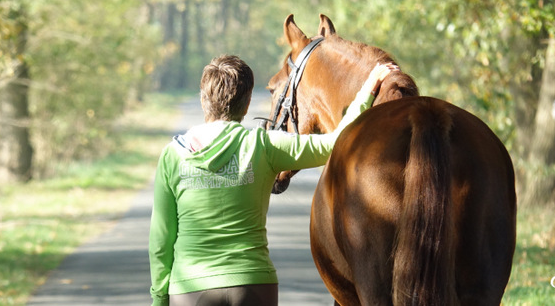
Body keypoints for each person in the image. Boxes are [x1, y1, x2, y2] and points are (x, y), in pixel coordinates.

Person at [149, 55, 396, 306]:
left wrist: (159, 297)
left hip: (190, 288)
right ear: (246, 105)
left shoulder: (173, 155)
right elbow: (332, 143)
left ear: (203, 99)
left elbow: (161, 239)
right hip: (252, 283)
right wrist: (368, 88)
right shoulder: (263, 145)